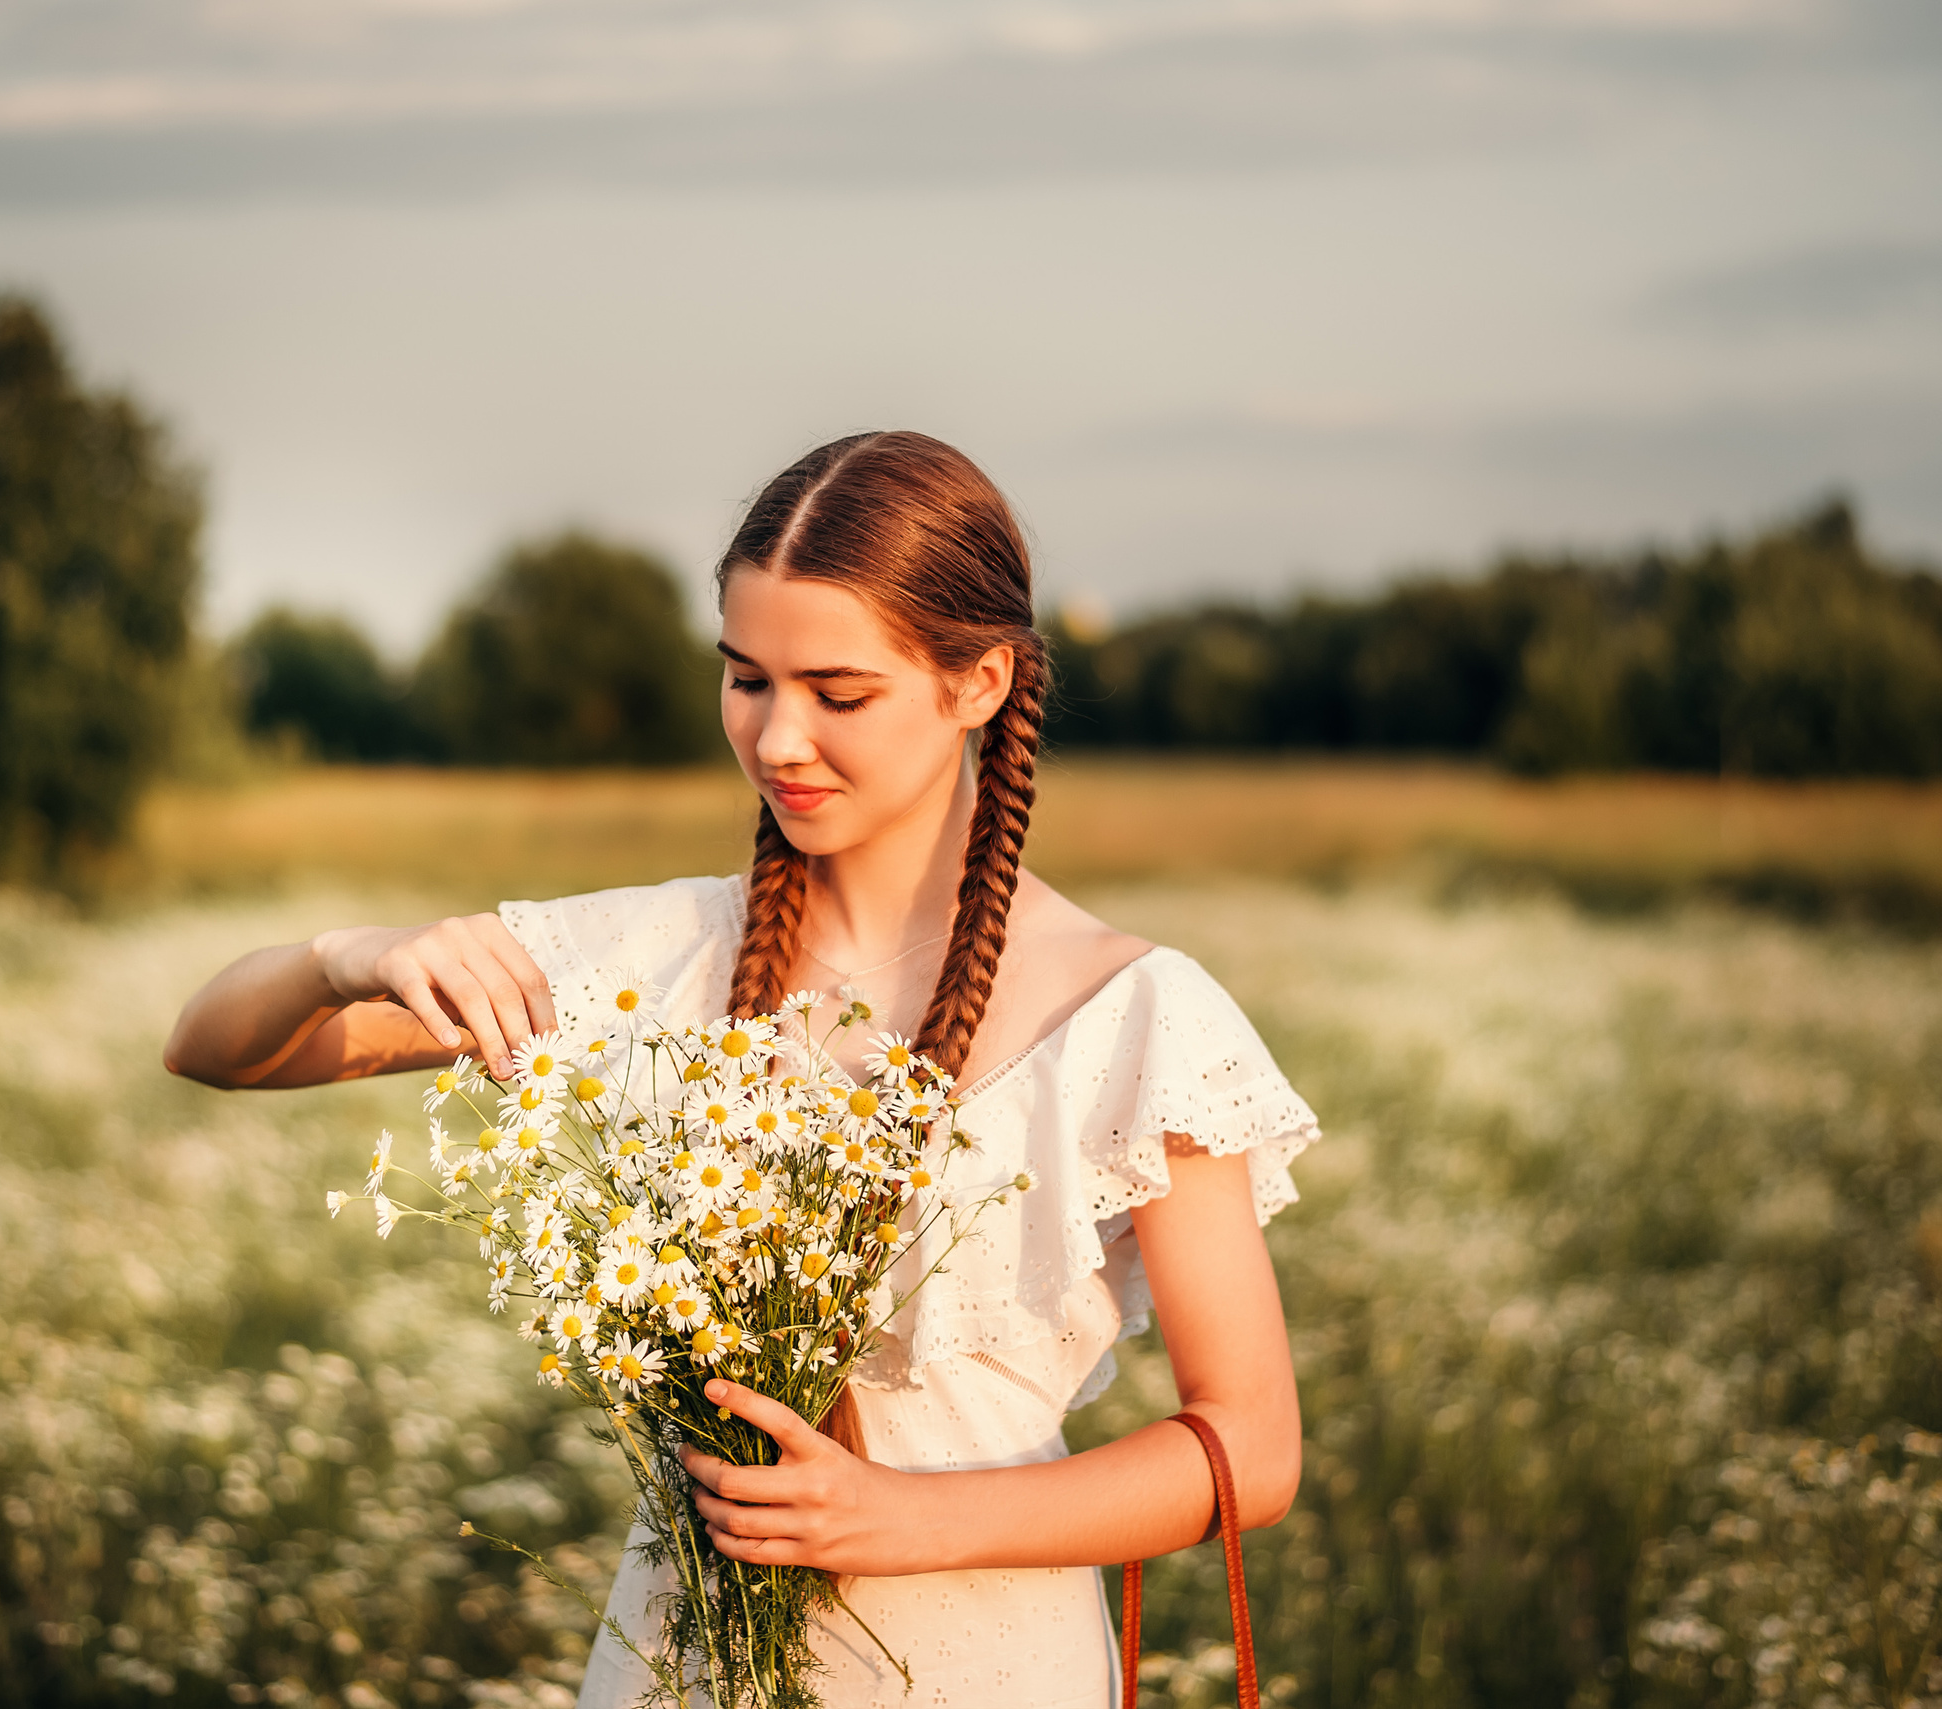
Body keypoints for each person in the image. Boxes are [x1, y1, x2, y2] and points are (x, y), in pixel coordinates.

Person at [165, 431, 1316, 1708]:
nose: (777, 739)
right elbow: (217, 1049)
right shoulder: (649, 956)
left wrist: (894, 1519)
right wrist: (352, 957)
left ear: (979, 680)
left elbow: (1250, 1450)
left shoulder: (1135, 1012)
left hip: (992, 1666)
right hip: (679, 1666)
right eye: (745, 679)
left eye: (838, 690)